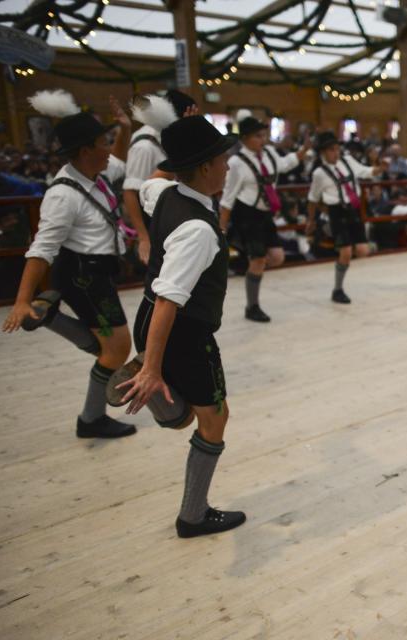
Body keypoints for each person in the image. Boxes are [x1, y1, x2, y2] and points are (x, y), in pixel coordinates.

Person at [113, 115, 248, 538]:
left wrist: (175, 137)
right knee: (213, 419)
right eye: (223, 158)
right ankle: (192, 516)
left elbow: (149, 180)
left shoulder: (164, 192)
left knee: (200, 414)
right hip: (183, 333)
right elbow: (171, 299)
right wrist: (154, 366)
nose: (228, 165)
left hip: (147, 316)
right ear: (206, 167)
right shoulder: (198, 230)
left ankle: (160, 390)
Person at [2, 89, 135, 439]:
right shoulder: (62, 195)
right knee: (118, 350)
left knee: (112, 348)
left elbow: (119, 162)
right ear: (84, 151)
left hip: (96, 271)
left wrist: (124, 129)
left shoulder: (98, 173)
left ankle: (51, 319)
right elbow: (41, 249)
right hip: (83, 275)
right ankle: (91, 419)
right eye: (103, 142)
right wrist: (21, 300)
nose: (109, 148)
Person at [219, 110, 307, 322]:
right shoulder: (237, 163)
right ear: (245, 138)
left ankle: (247, 265)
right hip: (246, 214)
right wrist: (221, 228)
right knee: (258, 260)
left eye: (263, 135)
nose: (263, 140)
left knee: (277, 257)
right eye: (258, 136)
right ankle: (252, 306)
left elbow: (285, 164)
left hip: (265, 214)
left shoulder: (268, 154)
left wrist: (303, 151)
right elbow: (227, 198)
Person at [305, 131, 386, 304]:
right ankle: (338, 289)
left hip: (353, 210)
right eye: (331, 150)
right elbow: (312, 198)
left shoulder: (347, 162)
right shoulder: (319, 173)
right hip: (336, 212)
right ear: (322, 153)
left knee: (363, 251)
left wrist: (379, 169)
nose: (336, 153)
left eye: (337, 149)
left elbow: (364, 171)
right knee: (346, 252)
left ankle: (342, 258)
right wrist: (311, 220)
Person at [123, 90, 197, 265]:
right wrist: (144, 237)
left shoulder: (168, 136)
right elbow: (130, 192)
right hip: (151, 222)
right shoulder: (145, 146)